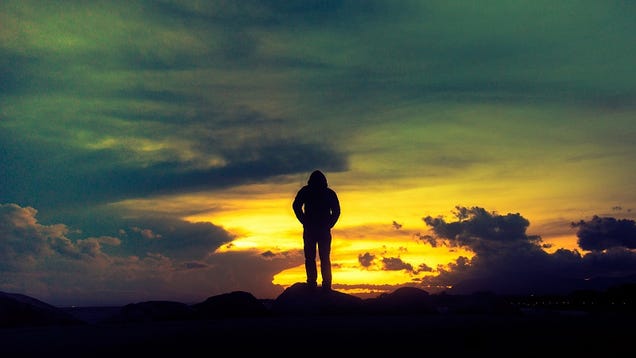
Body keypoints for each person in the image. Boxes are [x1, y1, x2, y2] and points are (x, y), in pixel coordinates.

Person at [292, 170, 340, 291]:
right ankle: (317, 284)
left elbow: (336, 211)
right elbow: (296, 206)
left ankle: (321, 284)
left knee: (318, 258)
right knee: (316, 257)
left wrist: (330, 224)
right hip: (314, 229)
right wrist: (303, 220)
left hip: (318, 229)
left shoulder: (322, 193)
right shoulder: (311, 192)